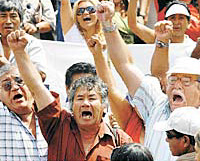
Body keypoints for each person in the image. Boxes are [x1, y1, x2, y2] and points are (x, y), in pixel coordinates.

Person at [95, 1, 200, 160]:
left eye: (185, 81)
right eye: (172, 80)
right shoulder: (156, 104)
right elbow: (125, 65)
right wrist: (108, 24)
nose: (177, 86)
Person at [7, 30, 133, 160]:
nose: (85, 103)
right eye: (79, 98)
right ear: (71, 105)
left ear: (104, 106)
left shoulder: (120, 141)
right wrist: (19, 52)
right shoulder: (58, 125)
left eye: (92, 98)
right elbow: (37, 88)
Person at [87, 34, 145, 143]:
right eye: (138, 97)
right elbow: (109, 89)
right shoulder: (132, 121)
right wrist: (97, 54)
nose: (142, 102)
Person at [0, 63, 48, 160]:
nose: (15, 87)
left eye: (19, 81)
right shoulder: (2, 116)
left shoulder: (50, 116)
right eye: (7, 85)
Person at [0, 0, 47, 81]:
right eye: (3, 16)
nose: (8, 21)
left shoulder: (32, 43)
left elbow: (40, 76)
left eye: (13, 16)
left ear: (20, 20)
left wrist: (6, 66)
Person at [128, 0, 196, 45]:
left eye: (181, 18)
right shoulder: (157, 39)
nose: (176, 22)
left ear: (189, 23)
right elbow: (133, 25)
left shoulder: (194, 47)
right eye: (172, 18)